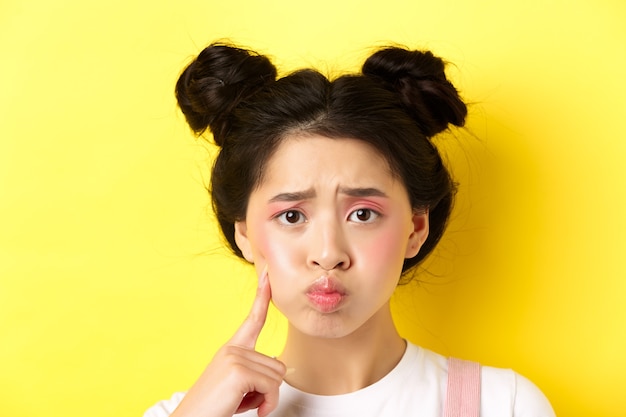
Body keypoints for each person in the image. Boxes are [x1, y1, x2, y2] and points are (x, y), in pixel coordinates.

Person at [144, 42, 555, 417]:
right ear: (245, 235)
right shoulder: (186, 413)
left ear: (415, 227)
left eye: (362, 214)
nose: (328, 253)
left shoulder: (504, 405)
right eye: (292, 216)